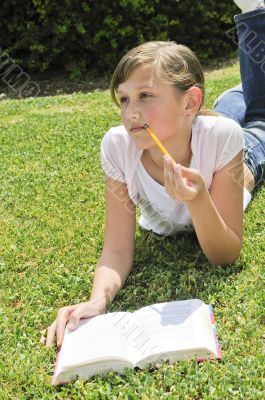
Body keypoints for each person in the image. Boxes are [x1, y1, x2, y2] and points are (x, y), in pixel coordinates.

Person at [44, 1, 265, 347]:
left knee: (259, 121)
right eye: (124, 99)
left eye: (145, 96)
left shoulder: (222, 137)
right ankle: (235, 96)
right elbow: (117, 249)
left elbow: (225, 255)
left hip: (244, 157)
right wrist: (97, 300)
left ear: (189, 102)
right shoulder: (117, 147)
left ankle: (254, 16)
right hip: (198, 120)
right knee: (238, 109)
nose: (131, 112)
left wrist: (200, 199)